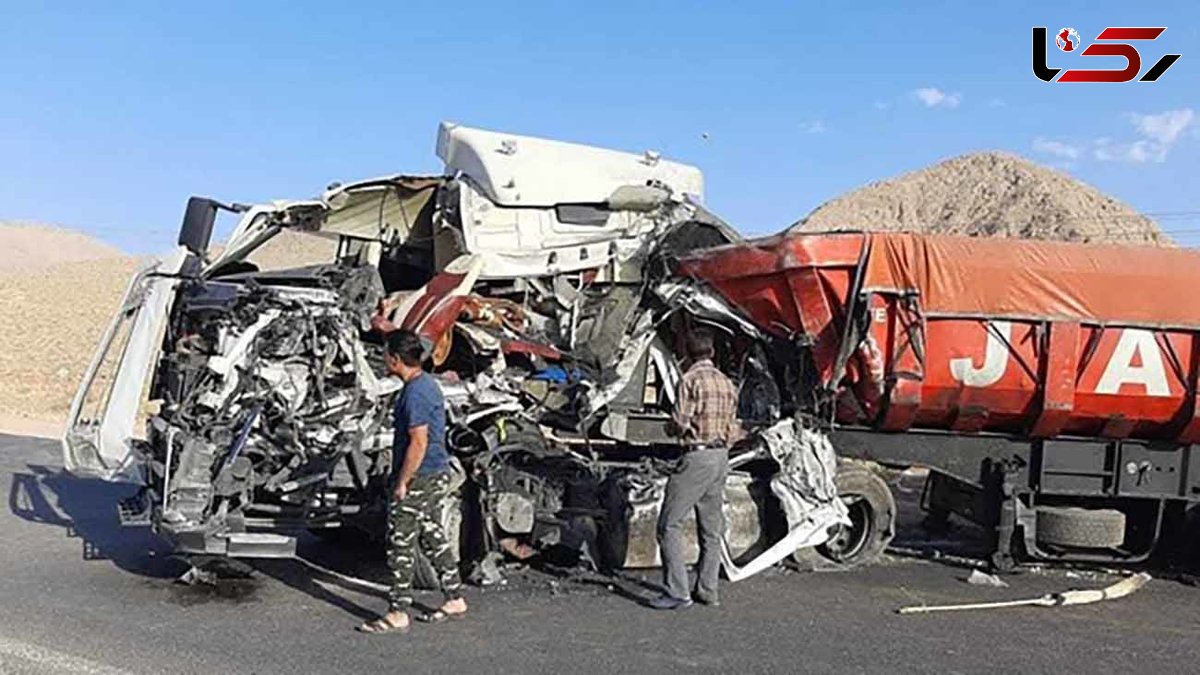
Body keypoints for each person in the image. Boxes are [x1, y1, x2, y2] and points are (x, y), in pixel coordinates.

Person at [358, 329, 467, 634]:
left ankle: (398, 610)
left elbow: (418, 443)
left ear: (395, 358)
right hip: (435, 471)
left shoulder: (415, 393)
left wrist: (402, 482)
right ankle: (454, 596)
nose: (382, 359)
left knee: (400, 541)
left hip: (421, 474)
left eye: (384, 354)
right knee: (431, 533)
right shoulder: (426, 384)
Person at [650, 326, 740, 610]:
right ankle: (707, 590)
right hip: (720, 457)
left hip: (697, 457)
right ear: (711, 351)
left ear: (687, 353)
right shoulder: (727, 383)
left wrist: (669, 426)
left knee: (669, 523)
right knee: (711, 529)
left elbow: (679, 421)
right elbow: (733, 427)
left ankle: (677, 592)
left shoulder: (690, 380)